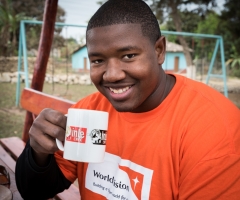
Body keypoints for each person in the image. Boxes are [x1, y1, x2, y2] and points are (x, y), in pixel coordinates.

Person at [15, 0, 240, 199]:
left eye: (129, 56)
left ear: (160, 50)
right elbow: (34, 191)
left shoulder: (214, 132)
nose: (112, 75)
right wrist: (37, 154)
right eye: (98, 60)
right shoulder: (89, 114)